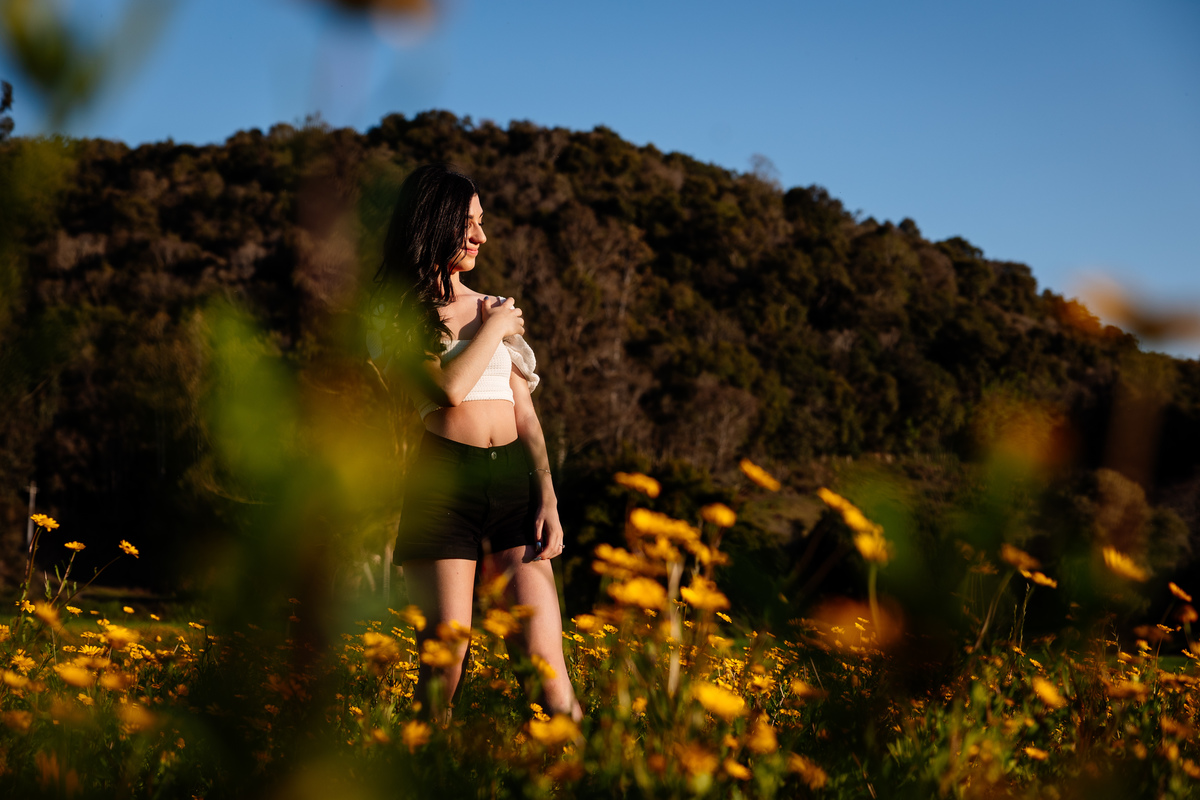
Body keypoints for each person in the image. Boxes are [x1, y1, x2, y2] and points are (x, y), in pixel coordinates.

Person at [368, 164, 581, 723]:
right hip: (444, 489)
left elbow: (526, 414)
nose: (480, 237)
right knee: (445, 668)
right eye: (467, 223)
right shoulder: (403, 314)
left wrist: (549, 500)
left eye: (481, 222)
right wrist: (492, 328)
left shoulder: (496, 308)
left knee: (549, 676)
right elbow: (448, 391)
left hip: (515, 487)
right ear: (433, 224)